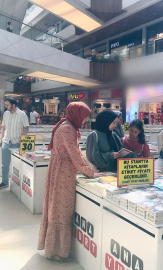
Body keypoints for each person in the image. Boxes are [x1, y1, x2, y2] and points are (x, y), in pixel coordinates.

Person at [38, 102, 98, 261]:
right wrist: (91, 173)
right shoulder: (67, 129)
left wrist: (88, 168)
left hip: (61, 170)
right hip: (63, 173)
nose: (85, 120)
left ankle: (55, 248)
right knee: (61, 210)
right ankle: (58, 251)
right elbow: (74, 155)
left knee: (57, 208)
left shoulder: (68, 126)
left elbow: (76, 153)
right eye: (84, 116)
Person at [0, 98, 29, 189]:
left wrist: (23, 138)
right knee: (5, 164)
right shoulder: (6, 114)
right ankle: (5, 181)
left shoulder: (22, 114)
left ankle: (17, 183)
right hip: (6, 141)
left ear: (13, 105)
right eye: (5, 105)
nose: (6, 107)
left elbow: (26, 127)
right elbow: (3, 127)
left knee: (17, 164)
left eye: (7, 105)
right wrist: (1, 139)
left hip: (16, 142)